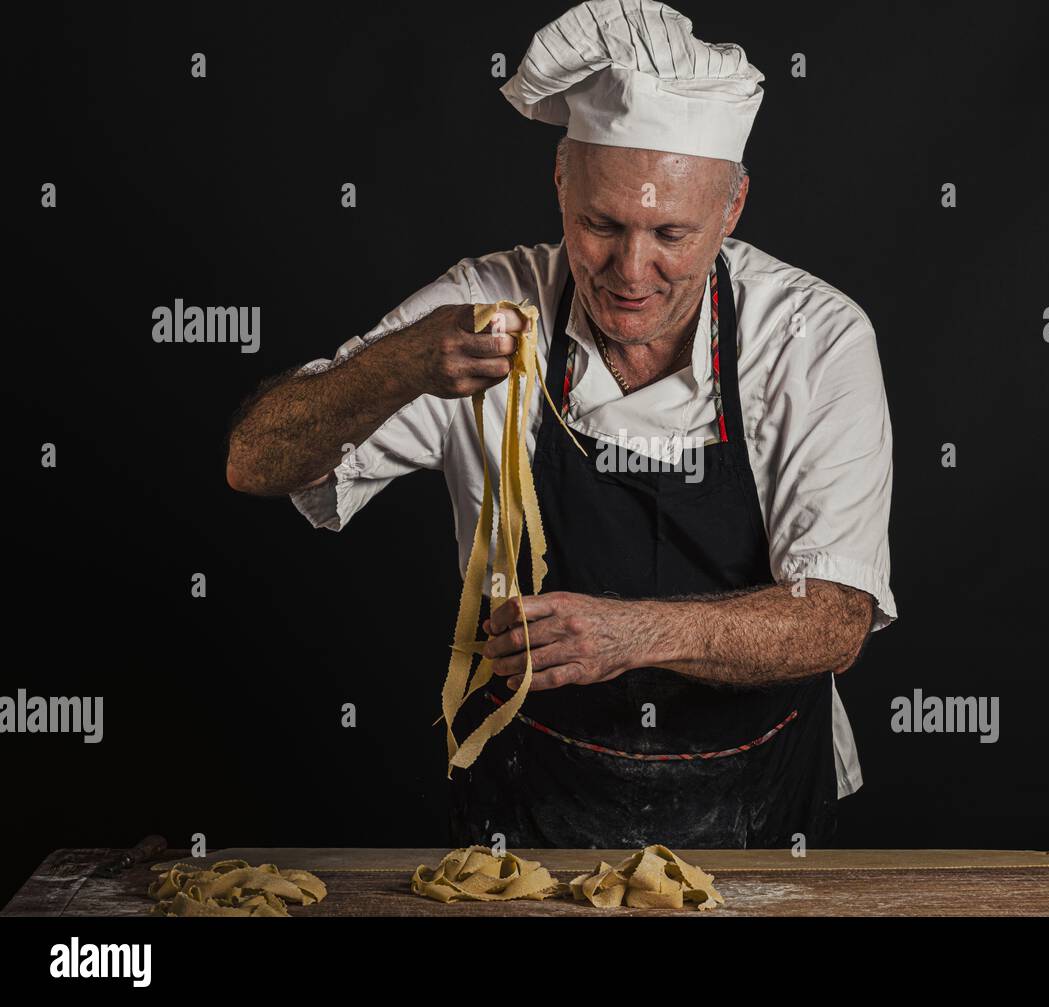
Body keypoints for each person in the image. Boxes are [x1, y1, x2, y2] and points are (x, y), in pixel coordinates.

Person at [225, 0, 898, 849]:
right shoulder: (485, 309)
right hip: (528, 815)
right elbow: (255, 461)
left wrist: (630, 633)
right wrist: (396, 366)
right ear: (559, 185)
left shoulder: (813, 338)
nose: (630, 270)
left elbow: (835, 619)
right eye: (601, 224)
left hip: (762, 810)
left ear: (733, 207)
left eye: (671, 233)